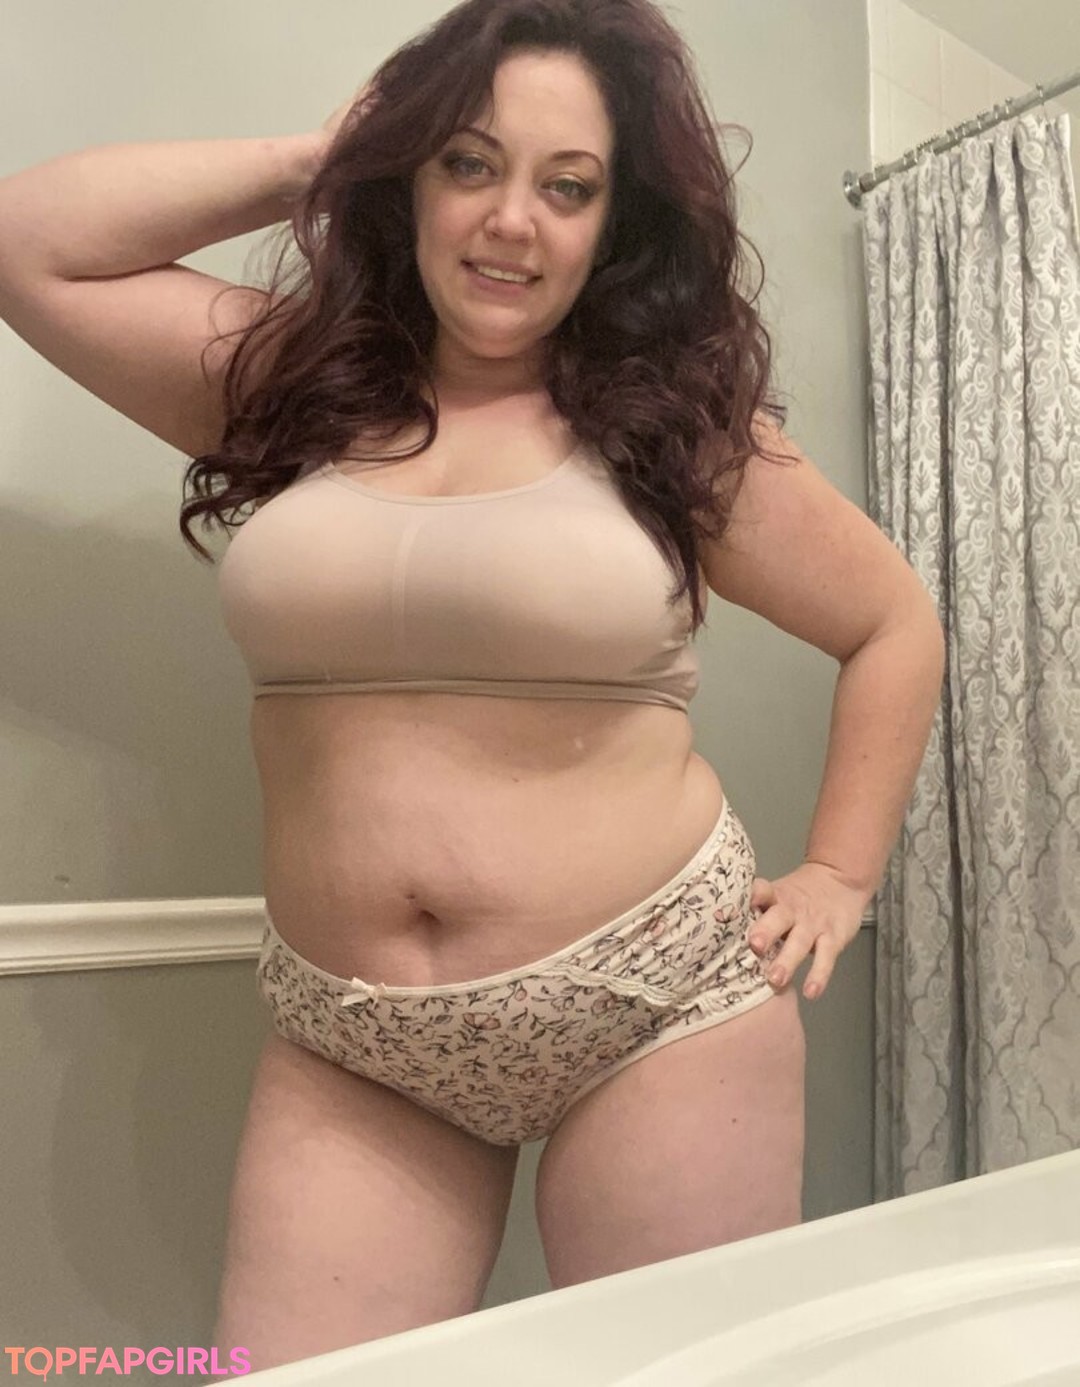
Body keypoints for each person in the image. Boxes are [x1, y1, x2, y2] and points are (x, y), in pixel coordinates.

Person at [0, 0, 945, 1373]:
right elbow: (29, 246)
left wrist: (841, 875)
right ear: (411, 177)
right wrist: (321, 155)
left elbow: (891, 622)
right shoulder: (295, 386)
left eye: (568, 187)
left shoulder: (675, 429)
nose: (512, 221)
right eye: (469, 163)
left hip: (659, 1005)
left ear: (613, 223)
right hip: (354, 1041)